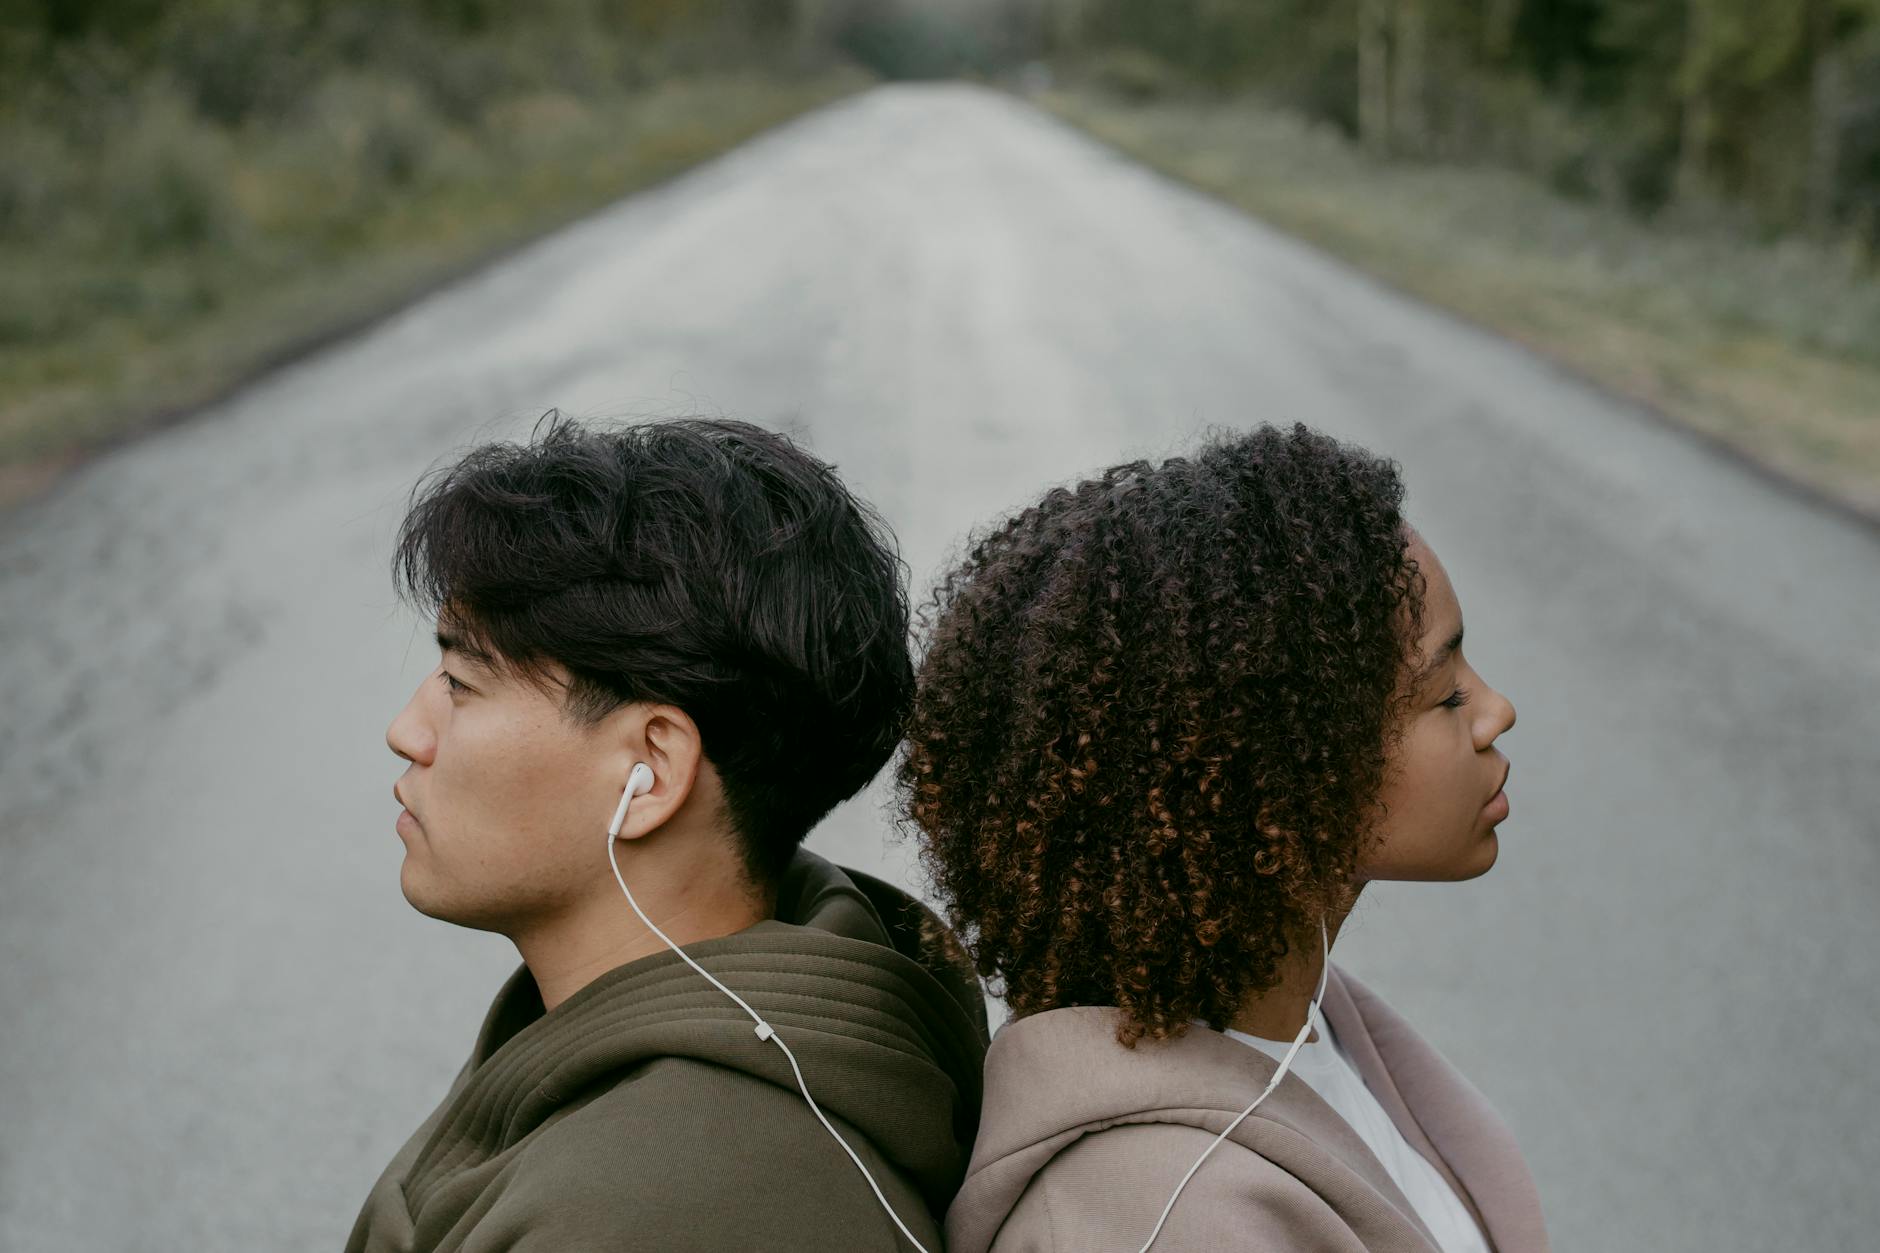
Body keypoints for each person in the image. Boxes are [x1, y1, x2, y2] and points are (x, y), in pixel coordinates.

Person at [900, 424, 1550, 1252]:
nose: (1496, 710)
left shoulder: (1314, 1029)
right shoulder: (1165, 1220)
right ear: (1275, 773)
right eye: (1444, 694)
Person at [349, 413, 988, 1253]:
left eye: (462, 682)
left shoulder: (652, 1210)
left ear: (649, 769)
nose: (407, 729)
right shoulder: (773, 1035)